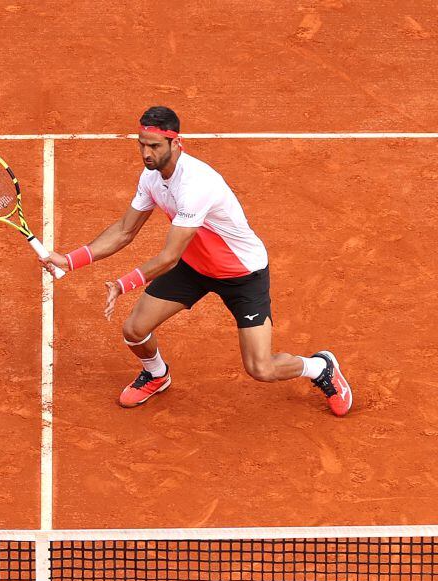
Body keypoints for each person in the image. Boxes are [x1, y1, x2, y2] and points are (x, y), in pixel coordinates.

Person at [41, 106, 352, 415]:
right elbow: (124, 230)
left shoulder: (196, 184)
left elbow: (168, 257)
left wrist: (122, 284)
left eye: (154, 146)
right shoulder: (151, 178)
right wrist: (70, 260)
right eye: (142, 144)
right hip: (194, 267)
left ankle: (319, 367)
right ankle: (156, 374)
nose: (146, 153)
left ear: (176, 143)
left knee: (261, 368)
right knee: (135, 330)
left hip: (242, 273)